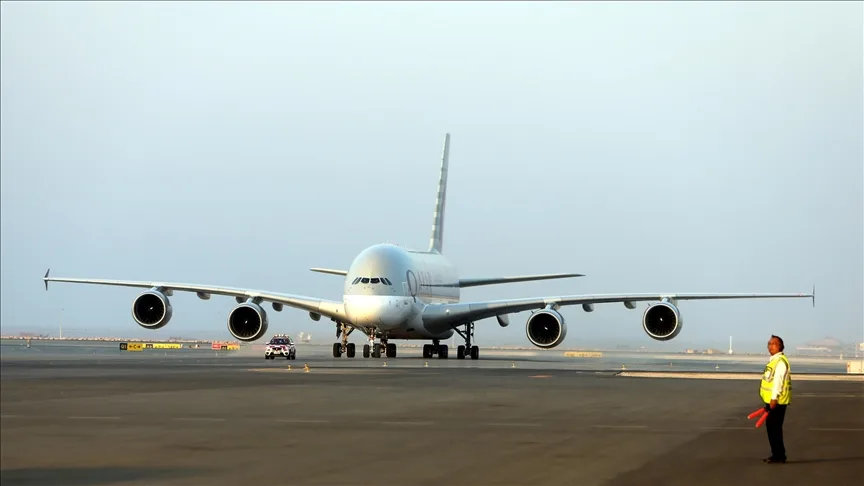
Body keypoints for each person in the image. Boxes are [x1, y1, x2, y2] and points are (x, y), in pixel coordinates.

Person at [760, 335, 791, 464]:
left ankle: (779, 455)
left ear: (780, 346)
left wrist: (774, 399)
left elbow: (778, 381)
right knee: (772, 428)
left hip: (777, 401)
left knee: (775, 428)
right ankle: (777, 454)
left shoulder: (780, 362)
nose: (770, 346)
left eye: (774, 344)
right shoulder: (773, 361)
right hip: (771, 401)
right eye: (769, 343)